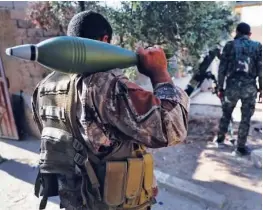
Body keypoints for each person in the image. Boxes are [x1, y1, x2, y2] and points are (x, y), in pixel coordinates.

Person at [32, 11, 189, 210]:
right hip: (110, 203)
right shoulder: (104, 83)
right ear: (105, 40)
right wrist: (160, 74)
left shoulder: (45, 86)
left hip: (73, 200)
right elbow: (172, 130)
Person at [215, 22, 262, 156]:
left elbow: (222, 69)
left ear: (237, 32)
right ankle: (240, 147)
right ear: (249, 34)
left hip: (232, 87)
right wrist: (261, 88)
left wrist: (220, 87)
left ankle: (220, 138)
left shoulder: (230, 45)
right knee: (246, 118)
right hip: (249, 87)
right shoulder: (258, 46)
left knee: (226, 113)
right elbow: (260, 69)